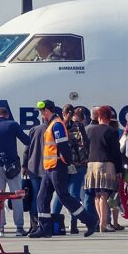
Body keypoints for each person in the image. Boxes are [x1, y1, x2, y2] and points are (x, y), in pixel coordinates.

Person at [31, 100, 98, 238]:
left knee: (64, 196)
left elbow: (63, 146)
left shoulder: (57, 125)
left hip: (57, 166)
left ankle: (90, 221)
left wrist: (68, 163)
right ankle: (44, 228)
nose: (41, 114)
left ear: (47, 111)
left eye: (42, 112)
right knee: (42, 197)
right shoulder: (51, 124)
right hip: (49, 168)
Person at [0, 107, 30, 236]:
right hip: (12, 167)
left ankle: (0, 228)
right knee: (17, 196)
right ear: (7, 115)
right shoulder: (13, 125)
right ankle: (19, 228)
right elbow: (26, 140)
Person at [84, 106, 123, 232]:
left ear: (98, 116)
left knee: (97, 195)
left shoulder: (89, 130)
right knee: (104, 195)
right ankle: (103, 223)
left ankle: (100, 220)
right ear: (109, 117)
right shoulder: (111, 131)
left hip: (91, 164)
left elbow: (85, 148)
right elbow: (116, 152)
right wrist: (119, 169)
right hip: (107, 165)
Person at [53, 106, 88, 234]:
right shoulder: (80, 127)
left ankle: (54, 222)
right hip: (79, 165)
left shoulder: (59, 126)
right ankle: (73, 224)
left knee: (60, 194)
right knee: (74, 195)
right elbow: (86, 144)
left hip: (63, 164)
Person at [21, 110, 49, 234]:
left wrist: (24, 166)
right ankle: (44, 224)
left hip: (33, 168)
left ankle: (33, 225)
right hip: (47, 168)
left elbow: (26, 150)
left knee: (35, 197)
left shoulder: (33, 130)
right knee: (45, 197)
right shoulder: (52, 130)